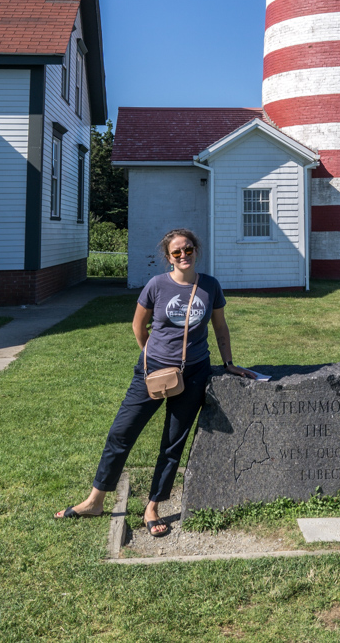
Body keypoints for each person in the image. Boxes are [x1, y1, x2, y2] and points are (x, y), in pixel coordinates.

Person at [55, 228, 254, 536]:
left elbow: (220, 327)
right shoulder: (156, 285)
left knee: (173, 443)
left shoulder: (210, 286)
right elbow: (138, 325)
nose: (183, 255)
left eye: (188, 249)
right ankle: (95, 500)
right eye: (177, 252)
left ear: (195, 251)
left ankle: (153, 506)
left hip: (193, 374)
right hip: (151, 371)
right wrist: (151, 357)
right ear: (168, 257)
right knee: (121, 433)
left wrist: (229, 363)